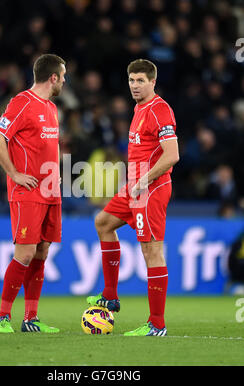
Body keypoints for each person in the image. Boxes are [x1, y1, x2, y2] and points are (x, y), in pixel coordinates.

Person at [87, 59, 179, 336]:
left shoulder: (160, 109)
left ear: (153, 81)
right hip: (135, 187)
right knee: (103, 223)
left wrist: (144, 180)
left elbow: (172, 155)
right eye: (131, 81)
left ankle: (157, 324)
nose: (135, 86)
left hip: (150, 189)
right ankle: (110, 296)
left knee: (152, 251)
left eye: (140, 81)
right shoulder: (139, 109)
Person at [0, 54, 66, 333]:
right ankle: (3, 317)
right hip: (27, 191)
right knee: (25, 252)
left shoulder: (52, 108)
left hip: (50, 191)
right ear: (53, 77)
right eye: (63, 76)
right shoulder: (22, 102)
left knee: (42, 252)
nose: (65, 81)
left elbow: (51, 148)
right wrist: (14, 173)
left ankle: (30, 318)